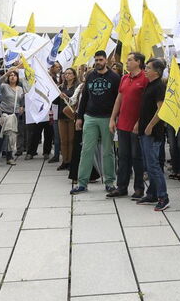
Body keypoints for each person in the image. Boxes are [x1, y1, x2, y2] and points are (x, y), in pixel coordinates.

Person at [71, 51, 120, 194]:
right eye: (96, 60)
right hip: (90, 117)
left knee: (108, 151)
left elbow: (118, 99)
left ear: (106, 60)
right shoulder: (90, 76)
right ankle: (82, 183)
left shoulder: (115, 77)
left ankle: (110, 182)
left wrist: (115, 118)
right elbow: (84, 97)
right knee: (86, 150)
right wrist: (79, 117)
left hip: (107, 118)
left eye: (100, 59)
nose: (98, 62)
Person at [107, 52, 148, 199]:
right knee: (123, 157)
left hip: (136, 125)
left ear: (138, 62)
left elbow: (146, 104)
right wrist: (112, 118)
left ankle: (139, 188)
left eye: (130, 60)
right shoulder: (124, 78)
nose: (127, 62)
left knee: (137, 157)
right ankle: (121, 187)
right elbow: (119, 99)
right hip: (122, 124)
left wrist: (140, 121)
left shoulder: (145, 78)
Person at [136, 58, 169, 211]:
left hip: (153, 133)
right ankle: (152, 194)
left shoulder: (159, 87)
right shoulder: (149, 84)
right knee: (149, 165)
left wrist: (150, 125)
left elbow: (161, 110)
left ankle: (163, 197)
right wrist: (139, 123)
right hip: (144, 131)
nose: (145, 70)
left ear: (156, 71)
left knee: (154, 165)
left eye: (148, 68)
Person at [0, 68, 25, 167]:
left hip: (14, 114)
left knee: (11, 137)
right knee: (1, 135)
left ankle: (9, 157)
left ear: (17, 78)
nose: (12, 77)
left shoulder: (20, 89)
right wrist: (6, 74)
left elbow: (22, 100)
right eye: (11, 75)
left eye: (14, 75)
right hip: (4, 113)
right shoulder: (4, 86)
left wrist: (21, 107)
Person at [56, 68, 79, 170]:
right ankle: (64, 161)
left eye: (70, 73)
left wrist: (67, 98)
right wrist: (58, 96)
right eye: (65, 74)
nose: (67, 75)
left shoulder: (77, 87)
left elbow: (76, 101)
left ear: (74, 75)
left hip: (71, 115)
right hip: (61, 115)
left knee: (71, 139)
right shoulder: (61, 87)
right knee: (63, 140)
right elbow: (55, 102)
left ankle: (71, 161)